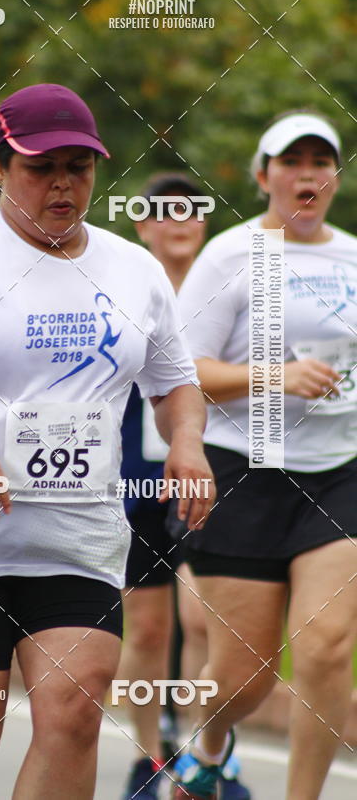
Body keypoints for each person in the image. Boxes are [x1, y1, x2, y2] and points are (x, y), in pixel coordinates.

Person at [0, 83, 216, 800]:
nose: (62, 184)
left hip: (77, 545)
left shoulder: (134, 271)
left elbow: (176, 382)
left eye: (79, 168)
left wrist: (188, 443)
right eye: (40, 166)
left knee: (75, 714)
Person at [168, 111, 357, 800]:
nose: (308, 174)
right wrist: (274, 375)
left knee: (328, 646)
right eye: (291, 161)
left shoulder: (354, 257)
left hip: (339, 471)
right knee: (245, 678)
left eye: (321, 161)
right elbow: (182, 369)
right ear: (262, 176)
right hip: (244, 469)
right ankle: (209, 746)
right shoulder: (229, 254)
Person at [117, 175, 250, 800]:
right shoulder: (123, 286)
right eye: (164, 213)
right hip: (136, 479)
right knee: (145, 632)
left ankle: (213, 755)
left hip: (209, 474)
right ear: (141, 225)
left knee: (204, 622)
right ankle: (151, 759)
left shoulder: (225, 282)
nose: (179, 222)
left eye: (191, 212)